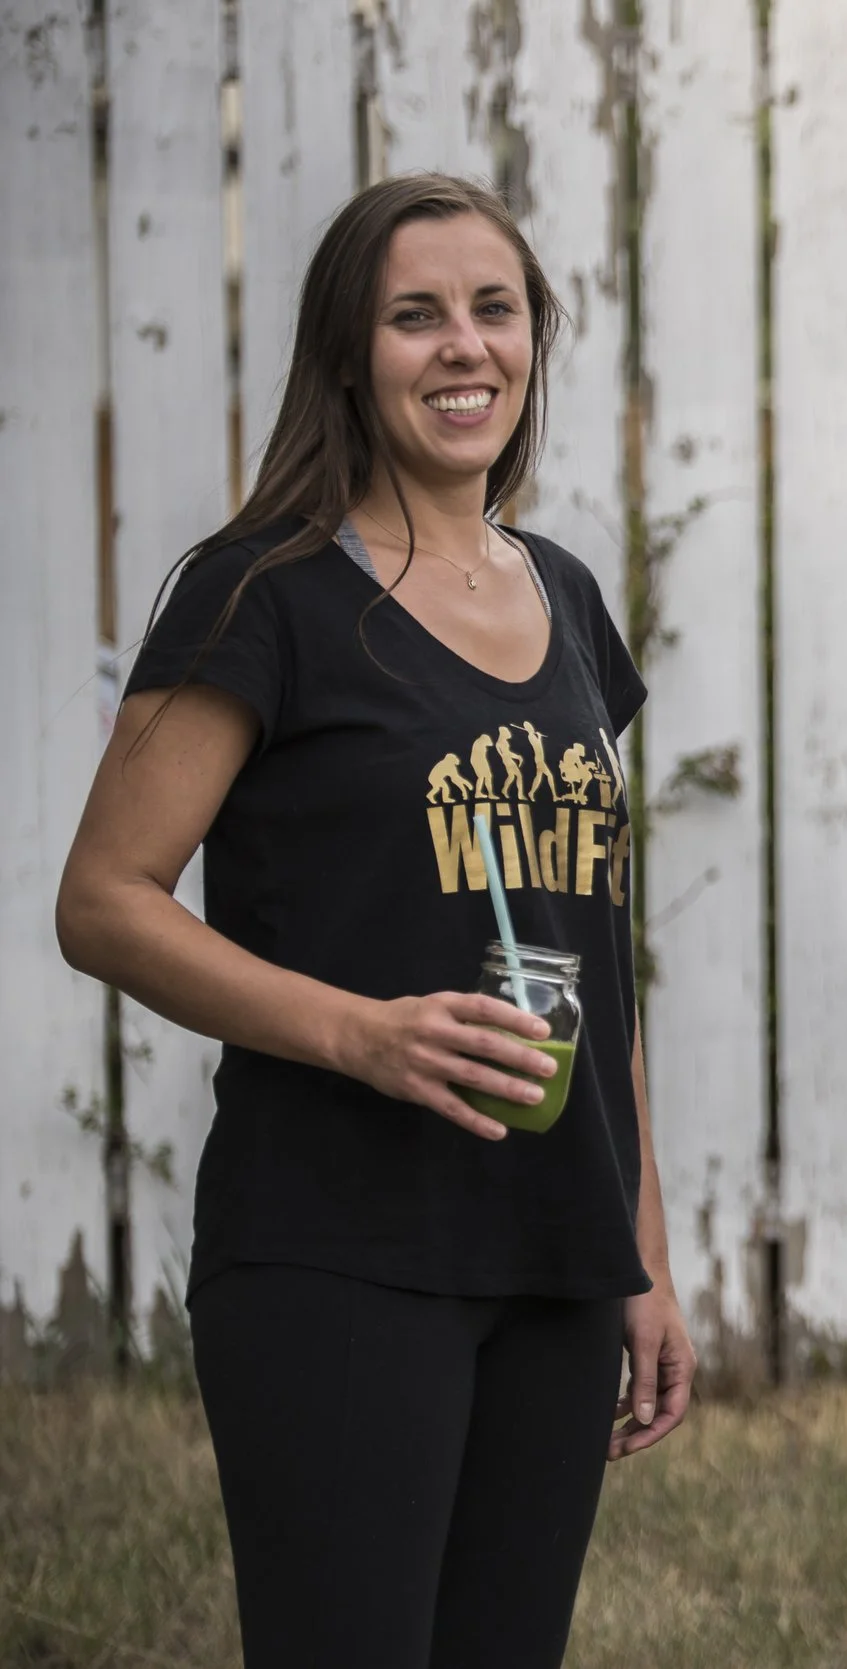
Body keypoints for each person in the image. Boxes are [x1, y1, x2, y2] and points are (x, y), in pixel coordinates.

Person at [55, 173, 691, 1669]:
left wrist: (639, 1251)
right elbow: (103, 901)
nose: (463, 347)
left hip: (549, 1251)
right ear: (350, 353)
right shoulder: (260, 595)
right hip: (339, 1245)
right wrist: (363, 1034)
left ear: (535, 342)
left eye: (496, 310)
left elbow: (591, 944)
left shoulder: (570, 598)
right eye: (417, 316)